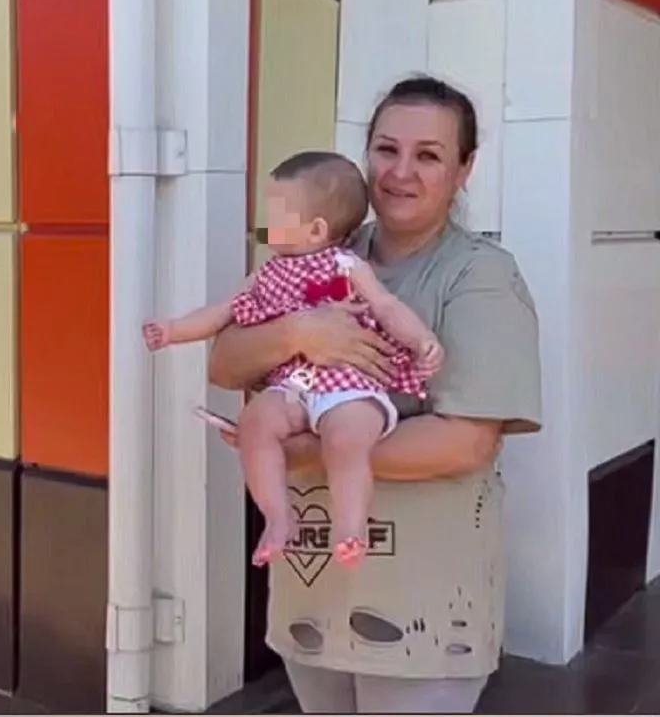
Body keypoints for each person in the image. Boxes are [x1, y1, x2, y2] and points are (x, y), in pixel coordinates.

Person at [207, 75, 542, 713]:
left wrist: (308, 451)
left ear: (465, 169)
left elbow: (467, 443)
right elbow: (225, 362)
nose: (401, 172)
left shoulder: (480, 276)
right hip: (313, 587)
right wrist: (299, 332)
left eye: (429, 155)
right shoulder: (319, 253)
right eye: (387, 149)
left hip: (422, 605)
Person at [143, 151, 444, 570]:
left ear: (316, 228)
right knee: (255, 424)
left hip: (347, 382)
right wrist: (173, 330)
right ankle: (278, 517)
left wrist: (421, 339)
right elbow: (222, 313)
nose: (265, 226)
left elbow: (387, 307)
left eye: (276, 215)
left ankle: (351, 526)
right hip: (293, 383)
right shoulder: (268, 273)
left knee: (347, 440)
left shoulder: (346, 266)